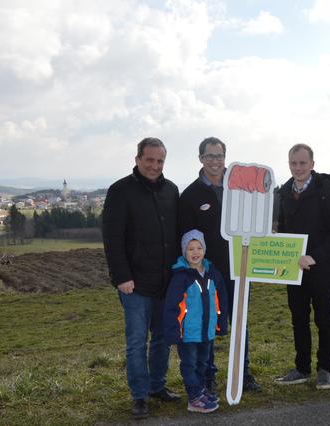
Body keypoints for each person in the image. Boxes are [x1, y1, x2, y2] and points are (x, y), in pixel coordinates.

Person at [102, 137, 181, 420]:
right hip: (134, 284)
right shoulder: (120, 191)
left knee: (162, 338)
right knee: (137, 342)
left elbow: (177, 234)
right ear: (137, 159)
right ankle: (139, 395)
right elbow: (112, 238)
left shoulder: (171, 190)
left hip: (167, 282)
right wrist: (121, 276)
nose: (154, 165)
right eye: (149, 160)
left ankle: (157, 386)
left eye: (160, 161)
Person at [178, 137, 261, 393]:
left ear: (225, 157)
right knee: (208, 322)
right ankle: (207, 376)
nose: (215, 161)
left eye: (219, 155)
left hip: (240, 267)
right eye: (209, 156)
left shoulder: (240, 187)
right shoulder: (191, 194)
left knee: (240, 322)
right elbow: (187, 235)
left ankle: (243, 373)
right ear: (201, 158)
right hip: (208, 272)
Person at [275, 143, 330, 390]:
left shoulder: (326, 191)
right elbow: (284, 229)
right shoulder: (284, 192)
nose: (298, 168)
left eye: (303, 163)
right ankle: (302, 368)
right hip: (294, 269)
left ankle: (324, 369)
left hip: (322, 268)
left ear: (312, 164)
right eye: (294, 163)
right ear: (289, 165)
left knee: (324, 320)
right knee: (298, 319)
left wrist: (314, 256)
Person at [164, 229, 228, 414]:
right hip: (188, 334)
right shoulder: (181, 277)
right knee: (190, 364)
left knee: (203, 363)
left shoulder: (212, 273)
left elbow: (221, 299)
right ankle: (193, 398)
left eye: (199, 247)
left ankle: (200, 391)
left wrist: (221, 323)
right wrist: (173, 332)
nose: (195, 252)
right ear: (184, 251)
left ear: (204, 250)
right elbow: (171, 307)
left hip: (206, 331)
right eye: (190, 248)